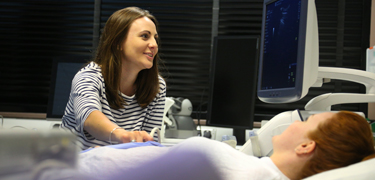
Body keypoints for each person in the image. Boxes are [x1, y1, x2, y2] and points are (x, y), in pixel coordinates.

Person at [73, 111, 375, 180]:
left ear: (305, 147)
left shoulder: (238, 172)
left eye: (307, 120)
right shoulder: (251, 169)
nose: (295, 120)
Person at [60, 7, 166, 150]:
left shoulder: (157, 86)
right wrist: (122, 135)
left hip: (116, 167)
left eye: (155, 38)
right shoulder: (88, 77)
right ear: (118, 43)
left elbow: (148, 146)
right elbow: (89, 117)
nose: (154, 45)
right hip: (72, 165)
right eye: (145, 36)